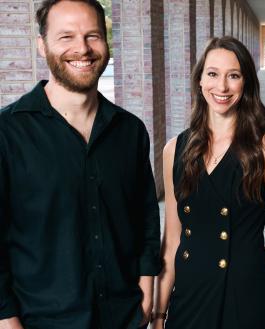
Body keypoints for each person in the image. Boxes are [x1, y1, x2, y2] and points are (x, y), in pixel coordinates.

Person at [0, 1, 161, 329]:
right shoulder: (7, 134)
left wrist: (146, 294)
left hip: (124, 317)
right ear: (41, 45)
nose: (82, 49)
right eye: (66, 37)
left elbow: (145, 218)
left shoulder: (130, 131)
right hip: (40, 321)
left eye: (93, 36)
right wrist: (6, 319)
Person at [151, 36, 265, 329]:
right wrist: (159, 314)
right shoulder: (174, 149)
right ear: (199, 80)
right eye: (212, 74)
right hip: (189, 297)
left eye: (233, 76)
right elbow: (172, 241)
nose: (221, 87)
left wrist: (246, 264)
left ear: (245, 83)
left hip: (245, 297)